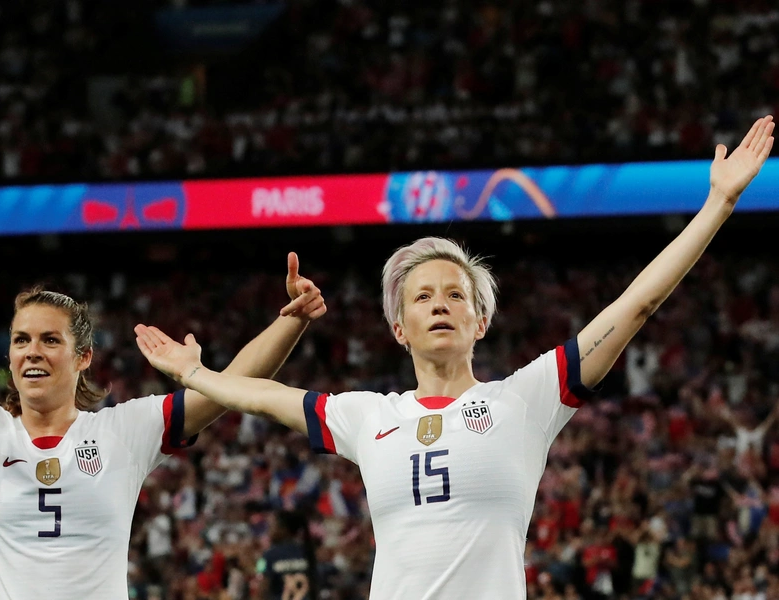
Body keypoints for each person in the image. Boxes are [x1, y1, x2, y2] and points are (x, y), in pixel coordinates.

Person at [133, 115, 775, 599]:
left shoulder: (524, 401)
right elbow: (265, 397)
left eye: (455, 294)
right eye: (422, 297)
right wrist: (195, 376)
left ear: (481, 319)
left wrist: (718, 203)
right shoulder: (366, 416)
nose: (439, 304)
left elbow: (635, 306)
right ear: (398, 328)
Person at [0, 234, 326, 600]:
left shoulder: (123, 431)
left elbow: (231, 388)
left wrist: (294, 320)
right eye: (21, 340)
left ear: (83, 357)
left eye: (49, 340)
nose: (32, 351)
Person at [254, 510, 318, 600]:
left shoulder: (269, 555)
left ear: (283, 529)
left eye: (271, 526)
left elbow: (262, 587)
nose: (268, 530)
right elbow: (315, 585)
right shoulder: (308, 552)